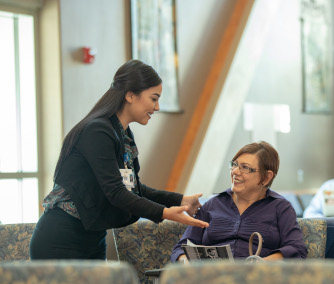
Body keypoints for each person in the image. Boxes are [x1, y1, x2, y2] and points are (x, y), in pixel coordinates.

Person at [30, 60, 208, 260]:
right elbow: (116, 192)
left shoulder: (123, 133)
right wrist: (164, 213)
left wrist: (180, 200)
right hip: (61, 238)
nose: (157, 107)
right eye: (154, 98)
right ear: (130, 95)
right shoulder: (97, 131)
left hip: (93, 236)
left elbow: (133, 187)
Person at [171, 141, 307, 263]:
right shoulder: (213, 205)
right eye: (234, 165)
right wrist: (185, 262)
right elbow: (181, 248)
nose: (235, 171)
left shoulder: (281, 208)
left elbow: (297, 249)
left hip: (258, 279)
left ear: (266, 177)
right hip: (211, 279)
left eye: (245, 168)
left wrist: (261, 264)